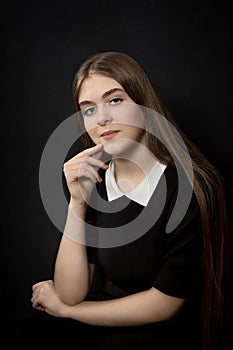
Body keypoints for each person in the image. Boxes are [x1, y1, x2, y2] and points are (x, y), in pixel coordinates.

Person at [17, 51, 231, 349]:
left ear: (144, 105)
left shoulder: (189, 188)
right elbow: (70, 291)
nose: (102, 118)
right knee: (31, 332)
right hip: (103, 314)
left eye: (115, 100)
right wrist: (77, 202)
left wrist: (67, 311)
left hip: (164, 327)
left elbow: (163, 305)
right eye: (88, 109)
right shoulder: (96, 180)